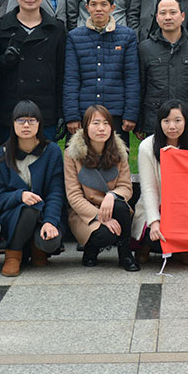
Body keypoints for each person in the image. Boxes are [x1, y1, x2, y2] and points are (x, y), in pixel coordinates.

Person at [0, 0, 67, 147]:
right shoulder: (1, 27)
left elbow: (61, 73)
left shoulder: (56, 29)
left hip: (44, 110)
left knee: (45, 160)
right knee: (6, 160)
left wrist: (61, 112)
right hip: (9, 111)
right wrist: (5, 61)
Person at [0, 101, 65, 277]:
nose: (26, 125)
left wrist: (50, 221)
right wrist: (20, 196)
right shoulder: (2, 154)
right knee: (28, 209)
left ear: (39, 124)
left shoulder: (52, 151)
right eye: (21, 120)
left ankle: (36, 247)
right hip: (13, 217)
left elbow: (56, 192)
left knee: (50, 243)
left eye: (32, 121)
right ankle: (13, 254)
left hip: (44, 215)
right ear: (13, 124)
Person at [64, 104, 140, 271]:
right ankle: (91, 250)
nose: (101, 128)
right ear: (85, 127)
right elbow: (74, 195)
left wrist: (111, 196)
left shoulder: (119, 152)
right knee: (104, 235)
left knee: (120, 205)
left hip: (113, 207)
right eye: (96, 123)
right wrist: (99, 215)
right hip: (86, 213)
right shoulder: (72, 154)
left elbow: (126, 187)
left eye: (106, 123)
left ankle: (125, 254)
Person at [132, 100, 188, 265]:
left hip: (184, 208)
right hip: (157, 206)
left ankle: (181, 251)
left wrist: (179, 158)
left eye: (177, 120)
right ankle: (144, 246)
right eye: (166, 121)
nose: (172, 126)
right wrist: (154, 222)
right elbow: (149, 188)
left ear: (186, 122)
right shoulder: (147, 146)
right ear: (159, 123)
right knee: (156, 238)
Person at [63, 0, 139, 145]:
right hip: (84, 112)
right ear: (87, 7)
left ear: (112, 7)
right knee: (81, 157)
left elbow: (131, 78)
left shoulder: (127, 36)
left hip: (115, 112)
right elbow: (71, 79)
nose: (98, 9)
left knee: (115, 157)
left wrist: (130, 114)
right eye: (94, 4)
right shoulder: (75, 37)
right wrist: (72, 115)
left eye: (104, 4)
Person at [138, 0, 188, 138]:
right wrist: (140, 123)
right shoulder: (145, 48)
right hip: (154, 121)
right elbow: (140, 88)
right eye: (163, 13)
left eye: (173, 12)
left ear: (182, 16)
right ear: (157, 17)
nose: (168, 17)